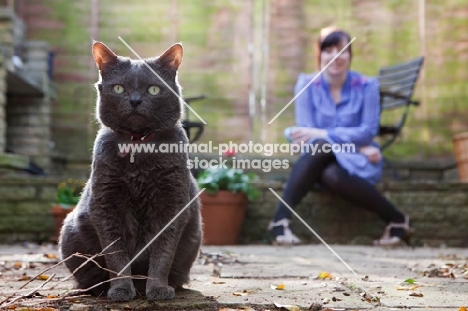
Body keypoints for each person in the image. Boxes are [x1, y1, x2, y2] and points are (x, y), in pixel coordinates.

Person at [268, 27, 413, 246]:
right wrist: (355, 145)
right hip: (325, 157)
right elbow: (306, 135)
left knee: (328, 167)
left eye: (342, 50)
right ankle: (398, 220)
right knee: (322, 155)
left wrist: (326, 135)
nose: (335, 57)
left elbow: (368, 131)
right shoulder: (306, 84)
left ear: (350, 55)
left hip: (359, 162)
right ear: (320, 55)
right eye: (329, 50)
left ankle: (279, 222)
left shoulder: (368, 86)